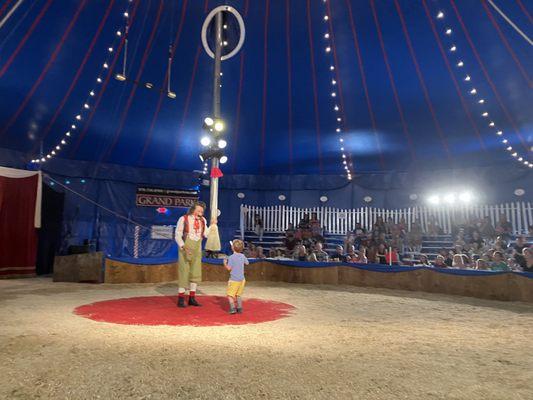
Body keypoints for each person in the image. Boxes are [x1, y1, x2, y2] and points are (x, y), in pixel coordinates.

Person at [174, 201, 217, 308]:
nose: (200, 212)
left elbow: (206, 234)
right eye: (198, 210)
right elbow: (177, 235)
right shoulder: (183, 219)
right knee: (184, 271)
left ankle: (192, 298)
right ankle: (180, 298)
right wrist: (183, 247)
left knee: (195, 271)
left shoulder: (203, 220)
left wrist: (212, 225)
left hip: (198, 247)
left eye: (202, 211)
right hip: (186, 247)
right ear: (193, 210)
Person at [223, 239, 249, 314]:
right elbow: (247, 263)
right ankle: (239, 308)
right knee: (238, 294)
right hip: (242, 279)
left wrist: (225, 263)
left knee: (230, 295)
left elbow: (229, 268)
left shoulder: (231, 257)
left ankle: (232, 308)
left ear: (232, 248)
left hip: (234, 280)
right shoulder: (243, 256)